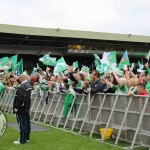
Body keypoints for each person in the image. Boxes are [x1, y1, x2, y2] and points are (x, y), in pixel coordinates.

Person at [13, 74, 33, 144]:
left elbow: (20, 99)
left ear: (21, 78)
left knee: (22, 124)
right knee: (27, 123)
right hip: (27, 107)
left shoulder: (22, 87)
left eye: (19, 78)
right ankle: (27, 138)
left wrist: (16, 107)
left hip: (21, 108)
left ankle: (22, 140)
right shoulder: (29, 85)